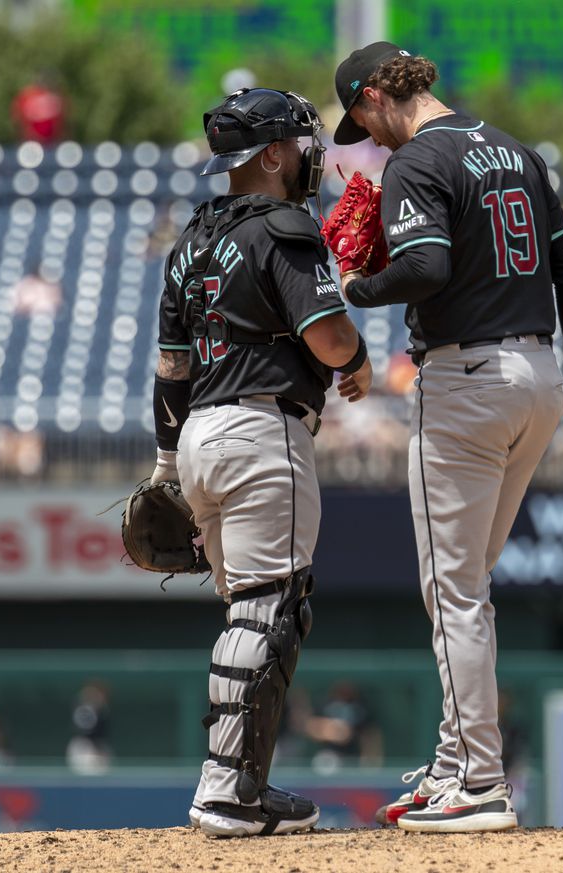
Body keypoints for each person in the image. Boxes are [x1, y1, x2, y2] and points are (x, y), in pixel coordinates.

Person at [330, 42, 563, 833]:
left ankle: (480, 781)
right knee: (470, 583)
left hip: (467, 383)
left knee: (454, 590)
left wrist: (358, 287)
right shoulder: (514, 149)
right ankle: (458, 759)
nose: (367, 138)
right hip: (540, 380)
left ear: (380, 94)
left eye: (362, 118)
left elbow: (422, 266)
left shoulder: (417, 161)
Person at [153, 87, 372, 838]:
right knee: (271, 608)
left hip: (198, 437)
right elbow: (331, 342)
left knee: (252, 609)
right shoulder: (284, 225)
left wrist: (163, 463)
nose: (312, 155)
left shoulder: (192, 238)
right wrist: (360, 342)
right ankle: (228, 790)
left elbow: (170, 368)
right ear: (272, 154)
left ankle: (240, 780)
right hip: (261, 428)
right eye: (302, 143)